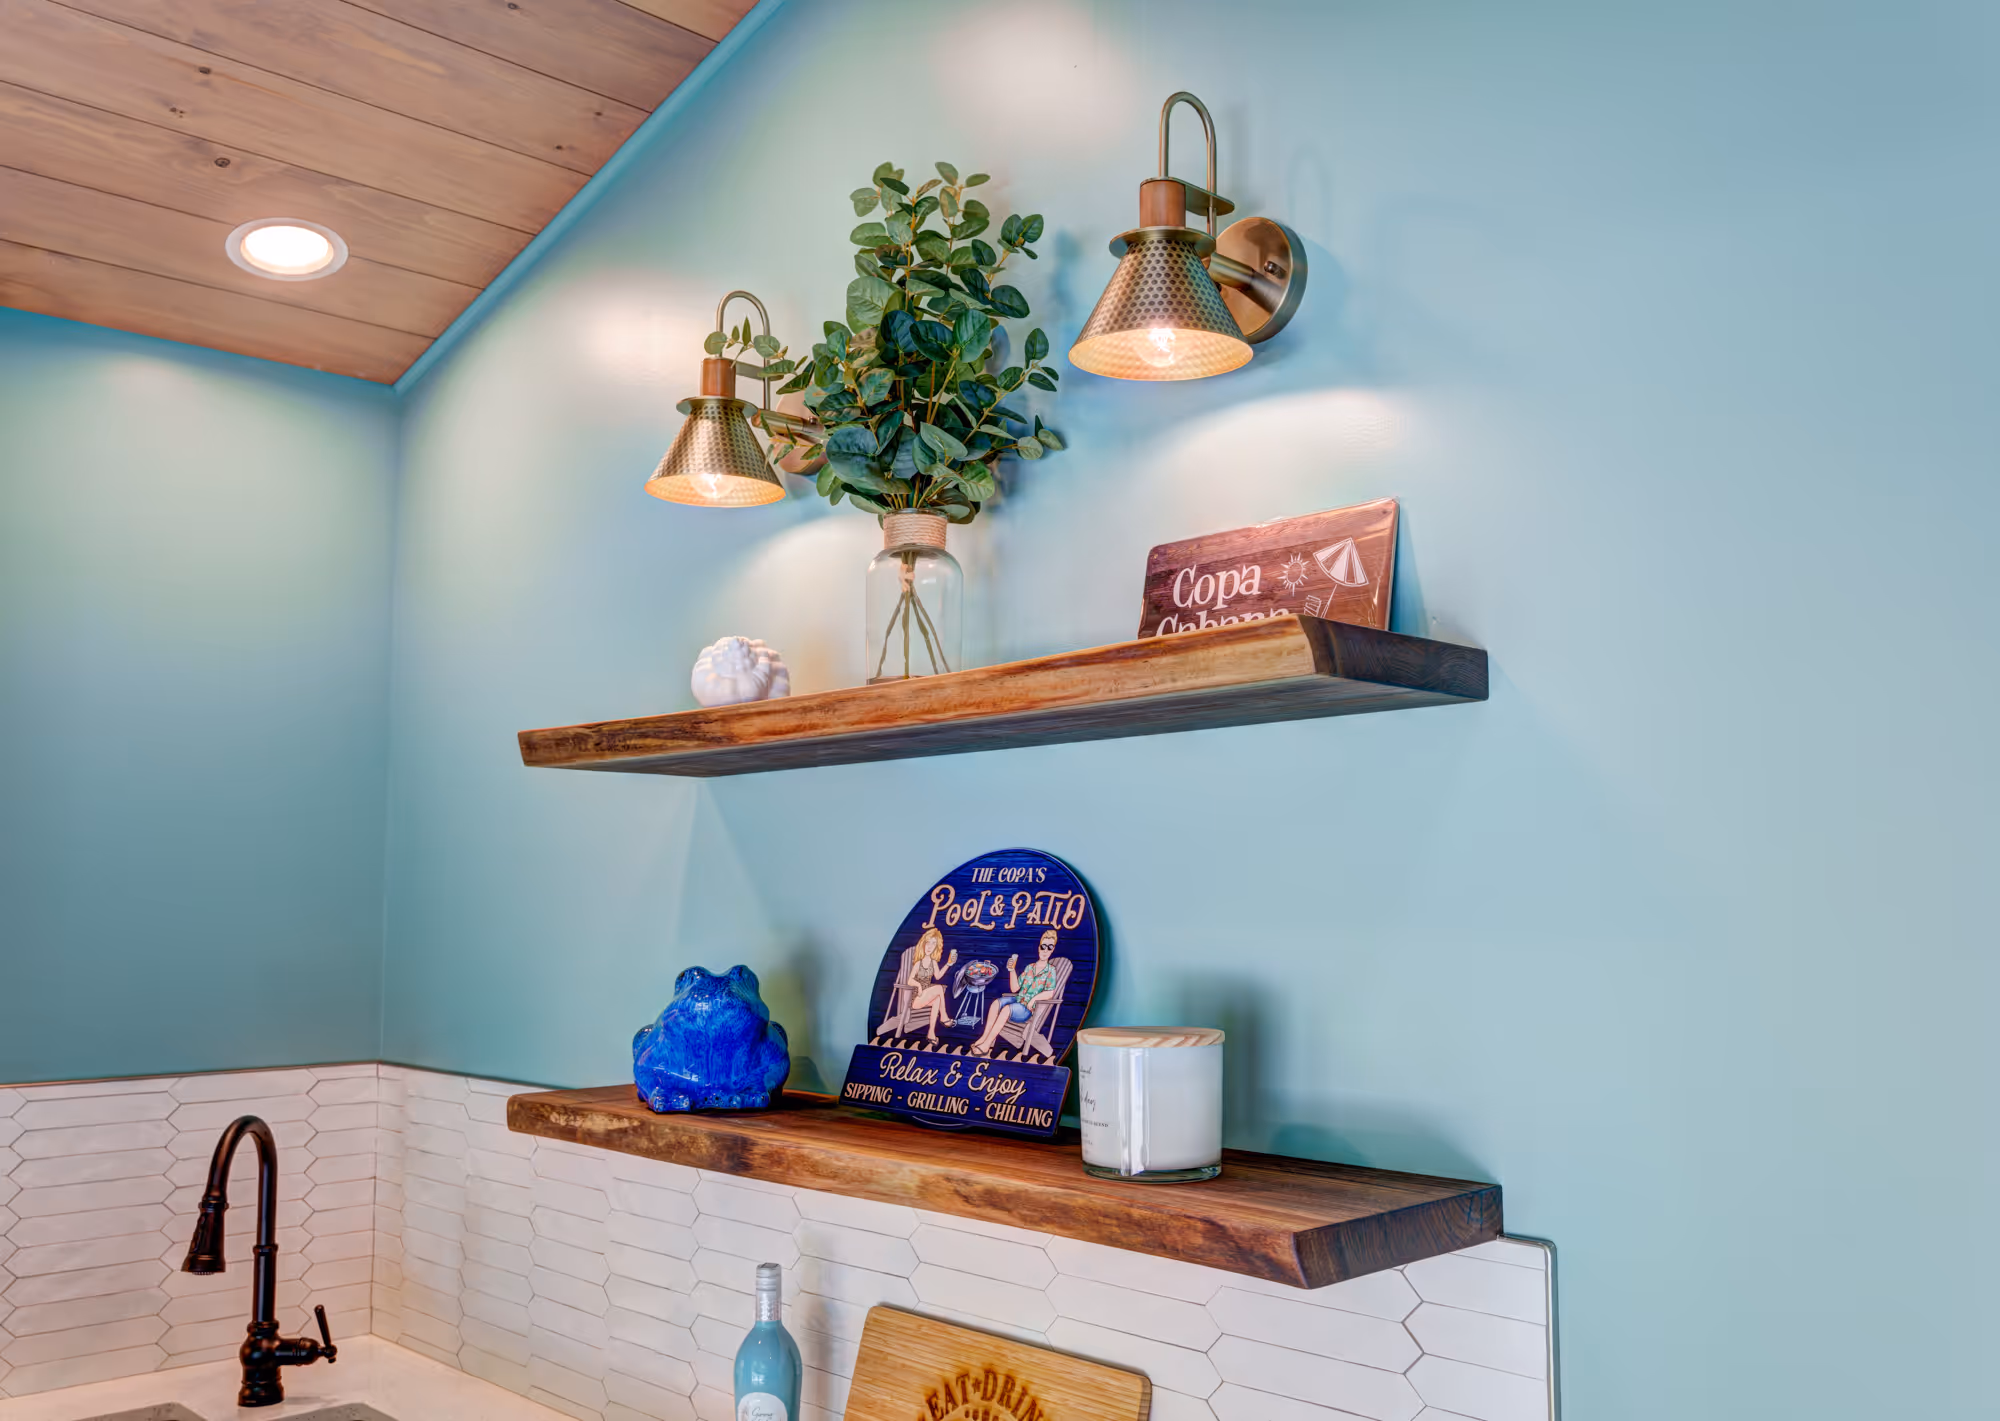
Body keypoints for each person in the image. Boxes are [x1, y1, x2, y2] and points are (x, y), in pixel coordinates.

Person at [968, 930, 1062, 1058]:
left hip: (1028, 1010)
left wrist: (1034, 998)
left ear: (1053, 950)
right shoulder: (1030, 967)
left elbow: (1050, 992)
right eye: (1043, 946)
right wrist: (1012, 970)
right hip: (1018, 1000)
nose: (1045, 950)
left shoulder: (1051, 970)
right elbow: (1014, 988)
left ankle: (987, 1044)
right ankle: (984, 1038)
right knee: (996, 1003)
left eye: (1049, 947)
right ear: (1039, 947)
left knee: (1006, 1009)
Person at [877, 927, 956, 1043]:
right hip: (915, 998)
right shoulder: (918, 963)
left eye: (933, 944)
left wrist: (949, 964)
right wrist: (919, 986)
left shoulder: (933, 962)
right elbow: (910, 981)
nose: (929, 946)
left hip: (925, 996)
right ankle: (944, 1017)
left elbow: (938, 976)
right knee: (939, 988)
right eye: (928, 943)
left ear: (936, 947)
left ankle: (931, 1033)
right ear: (923, 944)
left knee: (938, 999)